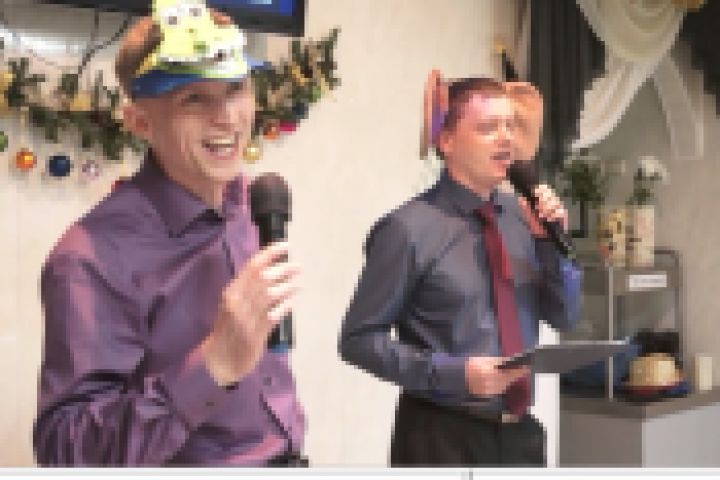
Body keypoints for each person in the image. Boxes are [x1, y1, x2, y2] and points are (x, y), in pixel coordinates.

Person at [34, 0, 305, 466]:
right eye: (193, 98)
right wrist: (213, 366)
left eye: (235, 88)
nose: (227, 117)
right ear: (140, 122)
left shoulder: (249, 203)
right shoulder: (90, 258)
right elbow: (66, 451)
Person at [339, 76, 582, 467]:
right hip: (440, 437)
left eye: (510, 125)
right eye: (488, 128)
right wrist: (456, 375)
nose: (506, 138)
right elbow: (358, 340)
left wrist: (549, 244)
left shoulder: (524, 218)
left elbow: (566, 316)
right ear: (446, 141)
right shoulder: (407, 229)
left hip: (521, 436)